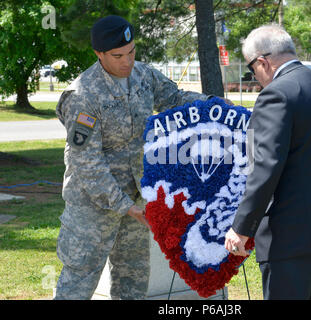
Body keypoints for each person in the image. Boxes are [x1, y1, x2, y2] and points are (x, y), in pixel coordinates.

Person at [54, 15, 224, 300]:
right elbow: (88, 164)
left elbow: (175, 98)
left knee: (133, 279)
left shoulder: (144, 76)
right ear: (99, 55)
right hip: (92, 206)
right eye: (118, 55)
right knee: (78, 282)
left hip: (135, 197)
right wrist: (125, 206)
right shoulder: (82, 95)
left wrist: (212, 105)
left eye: (131, 52)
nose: (127, 61)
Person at [224, 24, 311, 300]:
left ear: (263, 62)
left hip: (291, 235)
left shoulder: (275, 95)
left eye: (252, 70)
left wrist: (241, 228)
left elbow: (265, 168)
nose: (255, 77)